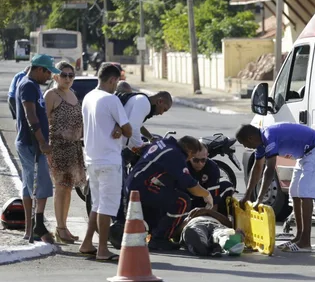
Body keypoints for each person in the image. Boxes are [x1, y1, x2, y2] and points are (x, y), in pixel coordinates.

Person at [236, 122, 315, 253]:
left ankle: (305, 242)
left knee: (305, 192)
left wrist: (259, 199)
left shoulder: (269, 137)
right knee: (294, 192)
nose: (245, 146)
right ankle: (299, 236)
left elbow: (269, 171)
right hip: (305, 155)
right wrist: (247, 195)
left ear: (250, 138)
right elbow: (257, 168)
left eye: (244, 143)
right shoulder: (261, 143)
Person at [79, 63, 132, 261]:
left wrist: (117, 125)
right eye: (116, 82)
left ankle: (87, 243)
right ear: (112, 80)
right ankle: (102, 249)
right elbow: (129, 130)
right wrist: (120, 125)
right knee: (107, 207)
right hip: (109, 160)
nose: (116, 86)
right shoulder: (111, 99)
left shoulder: (88, 97)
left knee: (97, 204)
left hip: (91, 158)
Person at [125, 135, 214, 251]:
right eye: (193, 156)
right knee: (182, 201)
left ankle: (155, 228)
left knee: (171, 192)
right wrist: (206, 194)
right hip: (141, 186)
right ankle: (160, 238)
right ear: (189, 150)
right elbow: (191, 186)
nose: (189, 159)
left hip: (135, 181)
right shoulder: (175, 155)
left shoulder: (164, 143)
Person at [112, 88, 173, 225]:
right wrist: (139, 147)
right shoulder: (144, 103)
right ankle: (119, 224)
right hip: (118, 147)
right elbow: (133, 127)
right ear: (160, 101)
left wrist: (150, 138)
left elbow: (138, 125)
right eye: (164, 109)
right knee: (122, 187)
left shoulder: (141, 101)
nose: (162, 113)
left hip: (118, 145)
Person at [15, 56, 58, 243]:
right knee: (31, 184)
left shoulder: (33, 85)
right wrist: (41, 141)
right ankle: (30, 227)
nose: (49, 76)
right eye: (48, 72)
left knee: (41, 184)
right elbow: (30, 114)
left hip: (36, 144)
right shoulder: (28, 85)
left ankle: (36, 223)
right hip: (30, 143)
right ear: (39, 69)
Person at [44, 61, 86, 243]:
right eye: (64, 75)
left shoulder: (73, 94)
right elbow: (44, 122)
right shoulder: (51, 95)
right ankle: (60, 228)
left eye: (71, 75)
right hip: (58, 148)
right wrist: (46, 148)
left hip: (74, 148)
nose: (68, 78)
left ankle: (64, 226)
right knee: (61, 187)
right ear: (55, 76)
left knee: (68, 188)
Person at [186, 143, 234, 216]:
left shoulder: (212, 167)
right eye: (196, 160)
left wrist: (212, 216)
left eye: (203, 160)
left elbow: (214, 198)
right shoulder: (183, 165)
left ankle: (223, 218)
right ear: (190, 157)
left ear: (207, 156)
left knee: (228, 186)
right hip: (187, 197)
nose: (200, 164)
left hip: (204, 197)